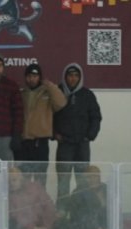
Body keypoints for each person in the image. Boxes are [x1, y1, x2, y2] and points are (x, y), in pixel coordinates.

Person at [52, 62, 102, 201]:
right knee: (63, 182)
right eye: (70, 75)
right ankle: (62, 213)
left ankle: (79, 214)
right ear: (65, 77)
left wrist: (89, 136)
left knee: (83, 182)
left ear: (80, 77)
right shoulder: (57, 92)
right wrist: (54, 133)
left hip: (82, 145)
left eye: (76, 76)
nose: (73, 79)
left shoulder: (87, 95)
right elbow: (47, 115)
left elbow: (96, 117)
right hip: (64, 145)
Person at [17, 63, 67, 180]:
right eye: (29, 76)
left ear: (40, 77)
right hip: (24, 142)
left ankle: (40, 199)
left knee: (40, 179)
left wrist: (49, 85)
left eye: (35, 76)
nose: (32, 79)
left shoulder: (47, 93)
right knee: (24, 180)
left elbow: (61, 103)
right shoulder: (21, 94)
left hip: (41, 143)